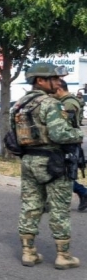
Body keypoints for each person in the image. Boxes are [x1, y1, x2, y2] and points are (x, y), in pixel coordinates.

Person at [13, 63, 83, 270]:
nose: (58, 82)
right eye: (54, 78)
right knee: (59, 208)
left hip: (28, 161)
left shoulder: (19, 104)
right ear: (40, 80)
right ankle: (63, 255)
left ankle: (28, 252)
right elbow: (59, 134)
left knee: (30, 206)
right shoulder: (50, 104)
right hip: (53, 162)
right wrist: (79, 134)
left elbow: (13, 137)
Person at [53, 79, 87, 211]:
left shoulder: (69, 103)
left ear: (59, 89)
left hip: (68, 142)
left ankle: (83, 192)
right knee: (58, 172)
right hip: (65, 141)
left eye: (53, 90)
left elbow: (63, 122)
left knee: (62, 173)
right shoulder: (64, 102)